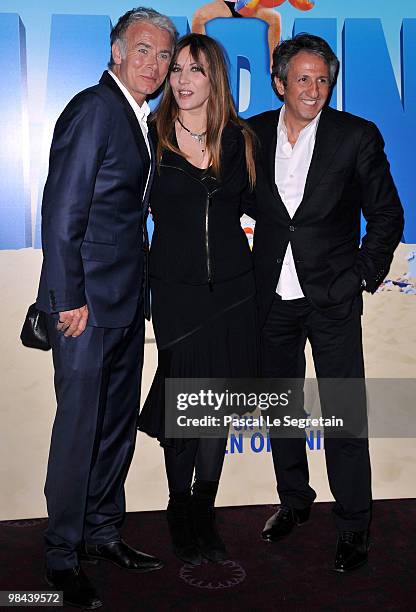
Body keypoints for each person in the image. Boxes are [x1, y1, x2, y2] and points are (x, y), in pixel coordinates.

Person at [35, 7, 177, 609]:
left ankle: (102, 531)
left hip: (123, 305)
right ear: (116, 50)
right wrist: (69, 300)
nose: (154, 63)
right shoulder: (95, 108)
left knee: (115, 430)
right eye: (142, 50)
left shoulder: (137, 115)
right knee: (78, 433)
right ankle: (62, 557)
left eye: (164, 55)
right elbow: (61, 211)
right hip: (86, 311)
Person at [249, 33, 404, 572]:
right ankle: (294, 502)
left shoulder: (355, 136)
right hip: (269, 299)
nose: (314, 90)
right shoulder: (250, 135)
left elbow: (387, 215)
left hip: (333, 299)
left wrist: (360, 276)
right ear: (279, 82)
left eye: (322, 80)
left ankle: (355, 524)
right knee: (282, 412)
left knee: (342, 415)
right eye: (303, 79)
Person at [139, 33, 258, 566]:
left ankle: (204, 509)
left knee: (216, 409)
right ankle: (178, 504)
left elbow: (268, 211)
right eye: (178, 69)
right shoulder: (152, 135)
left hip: (233, 291)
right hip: (174, 292)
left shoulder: (240, 139)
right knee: (185, 402)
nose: (182, 79)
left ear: (215, 79)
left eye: (195, 70)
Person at [192, 0, 281, 65]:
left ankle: (274, 61)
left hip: (248, 5)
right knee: (199, 16)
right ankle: (198, 59)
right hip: (225, 4)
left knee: (275, 18)